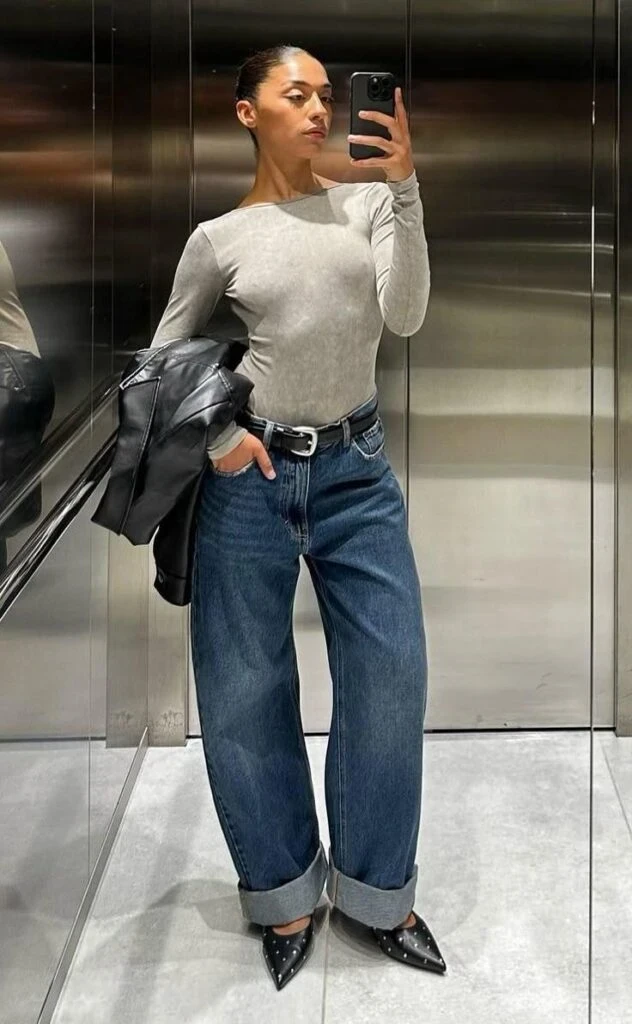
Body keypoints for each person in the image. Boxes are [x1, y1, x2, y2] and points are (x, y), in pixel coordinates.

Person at [150, 44, 445, 991]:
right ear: (248, 112)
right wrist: (222, 437)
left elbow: (406, 316)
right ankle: (281, 896)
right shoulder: (219, 238)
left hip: (358, 473)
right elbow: (163, 362)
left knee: (391, 678)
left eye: (326, 95)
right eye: (296, 94)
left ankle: (378, 897)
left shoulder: (366, 205)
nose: (319, 109)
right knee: (245, 689)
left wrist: (405, 186)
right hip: (251, 481)